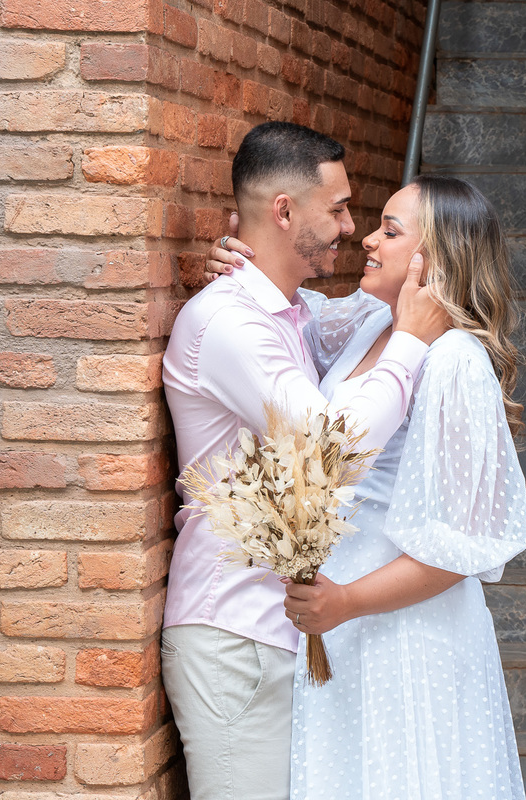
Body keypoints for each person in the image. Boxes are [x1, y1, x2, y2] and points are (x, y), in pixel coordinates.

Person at [207, 175, 526, 799]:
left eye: (390, 231)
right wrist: (236, 265)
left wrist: (347, 602)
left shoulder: (455, 358)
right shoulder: (367, 324)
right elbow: (289, 312)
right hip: (342, 625)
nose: (368, 241)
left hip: (407, 634)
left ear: (434, 259)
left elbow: (456, 551)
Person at [160, 122, 449, 800]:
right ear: (285, 212)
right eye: (339, 208)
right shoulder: (231, 324)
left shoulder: (292, 314)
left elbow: (354, 319)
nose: (351, 228)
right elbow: (329, 451)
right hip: (235, 634)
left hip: (278, 631)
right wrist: (410, 343)